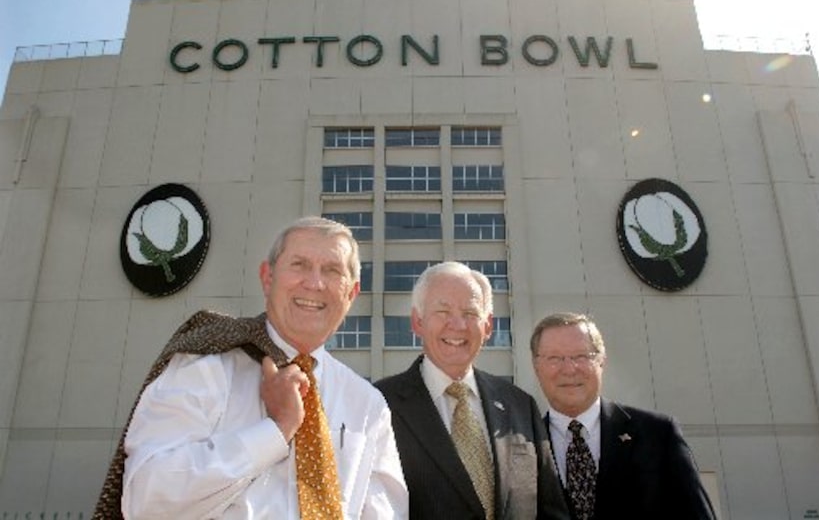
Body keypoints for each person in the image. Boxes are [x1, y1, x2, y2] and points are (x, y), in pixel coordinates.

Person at [97, 216, 408, 519]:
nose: (314, 283)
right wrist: (274, 431)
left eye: (331, 270)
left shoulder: (368, 405)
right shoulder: (203, 367)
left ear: (351, 294)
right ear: (267, 277)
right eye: (299, 265)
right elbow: (146, 501)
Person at [375, 261, 571, 520]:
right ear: (417, 322)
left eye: (470, 313)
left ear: (488, 326)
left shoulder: (520, 405)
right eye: (443, 311)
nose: (457, 325)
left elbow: (551, 511)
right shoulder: (379, 405)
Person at [530, 312, 717, 520]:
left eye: (581, 356)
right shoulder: (523, 447)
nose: (569, 369)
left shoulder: (659, 434)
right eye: (554, 358)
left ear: (602, 361)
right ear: (537, 367)